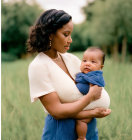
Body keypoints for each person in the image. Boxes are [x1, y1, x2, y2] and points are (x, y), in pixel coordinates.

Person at [27, 9, 111, 140]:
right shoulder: (38, 66)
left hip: (87, 129)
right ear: (50, 34)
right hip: (60, 131)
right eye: (66, 34)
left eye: (71, 34)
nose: (70, 40)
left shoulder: (71, 59)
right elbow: (56, 112)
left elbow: (93, 79)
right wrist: (91, 105)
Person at [75, 47, 110, 140]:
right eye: (84, 60)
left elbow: (92, 90)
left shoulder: (95, 76)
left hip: (95, 102)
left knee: (81, 120)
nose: (87, 64)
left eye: (93, 62)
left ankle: (82, 137)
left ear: (100, 67)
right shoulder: (87, 74)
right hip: (91, 101)